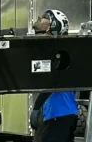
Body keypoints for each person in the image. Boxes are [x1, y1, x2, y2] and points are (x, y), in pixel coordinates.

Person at [30, 10, 78, 142]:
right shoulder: (54, 52)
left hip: (60, 115)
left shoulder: (60, 54)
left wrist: (36, 107)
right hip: (57, 115)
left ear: (53, 27)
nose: (40, 18)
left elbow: (53, 83)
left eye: (45, 18)